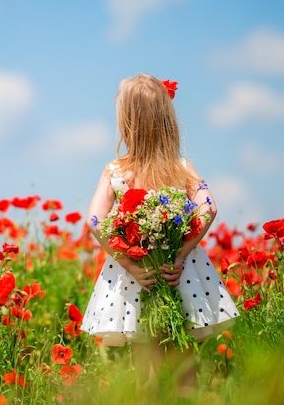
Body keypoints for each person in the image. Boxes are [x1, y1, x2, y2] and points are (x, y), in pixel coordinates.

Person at [80, 73, 240, 396]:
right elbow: (209, 207)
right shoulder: (182, 168)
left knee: (145, 372)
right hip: (178, 276)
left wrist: (130, 264)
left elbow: (95, 221)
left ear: (127, 123)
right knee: (185, 367)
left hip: (138, 278)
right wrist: (181, 254)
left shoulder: (115, 171)